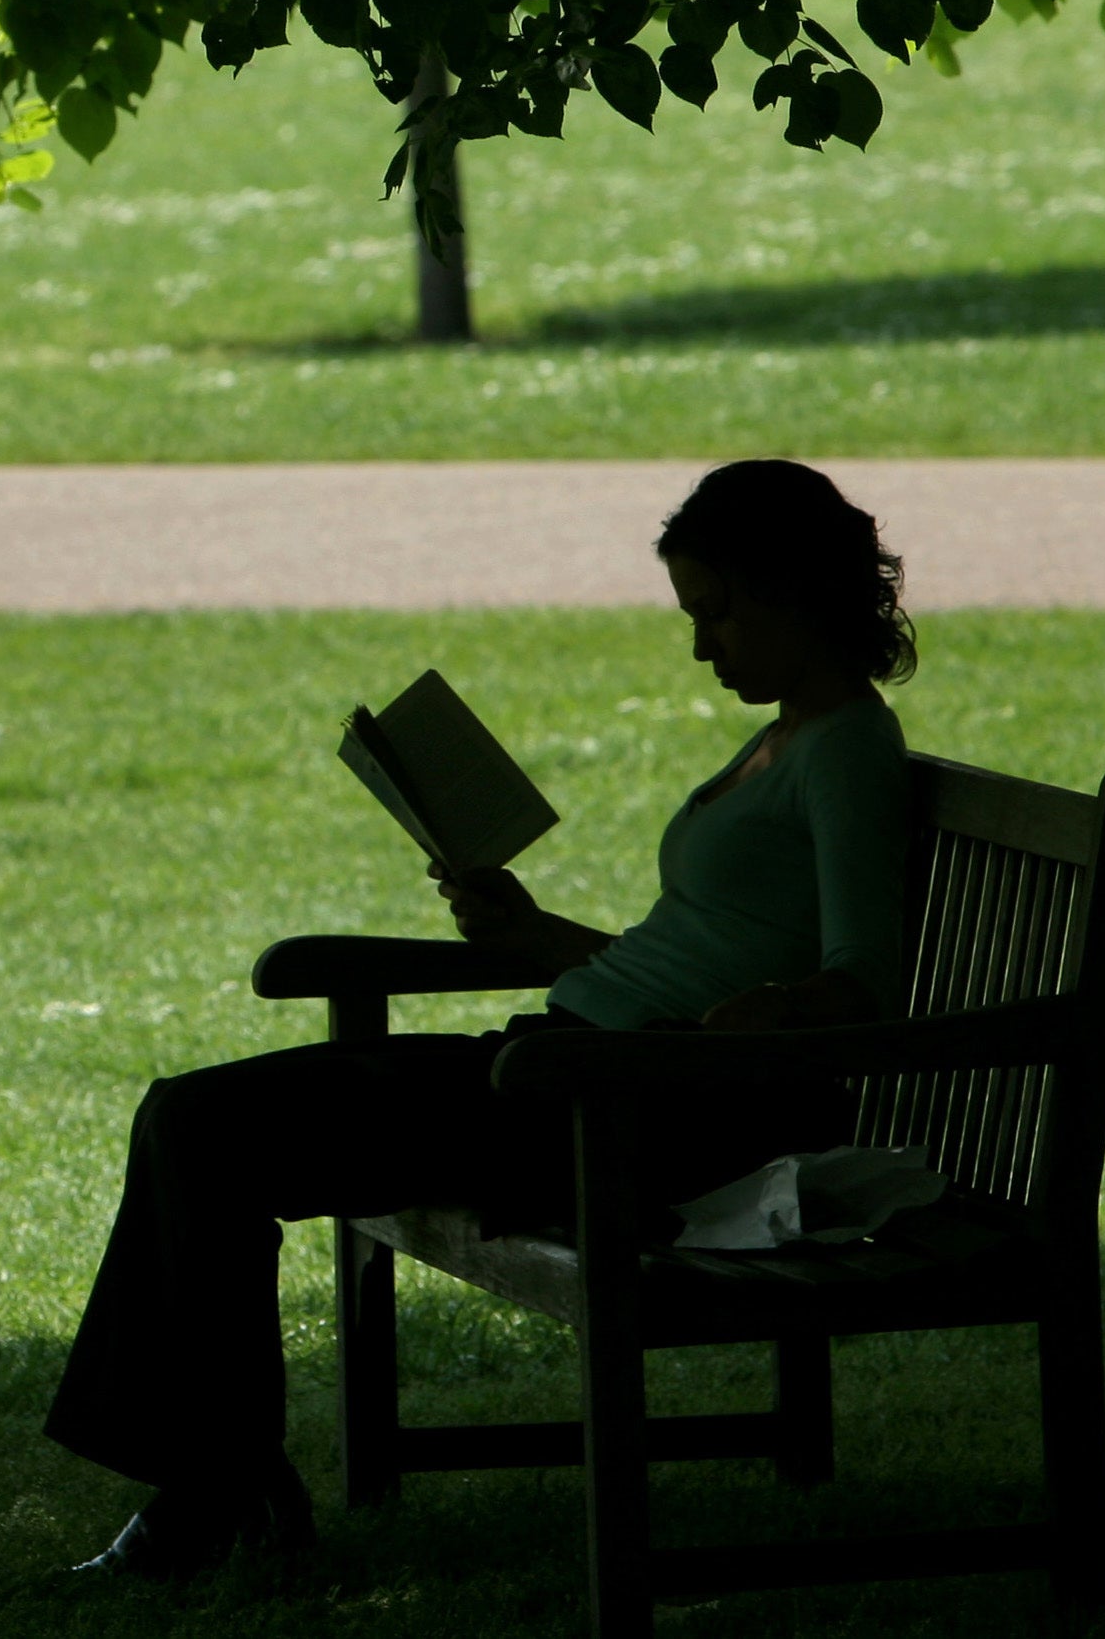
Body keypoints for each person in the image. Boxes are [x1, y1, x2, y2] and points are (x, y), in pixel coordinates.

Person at [47, 460, 918, 1579]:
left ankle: (210, 1492)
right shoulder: (789, 737)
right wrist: (535, 933)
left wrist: (763, 1020)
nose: (705, 647)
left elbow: (864, 978)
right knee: (192, 1122)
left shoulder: (845, 749)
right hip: (567, 1070)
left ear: (794, 588)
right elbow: (692, 956)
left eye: (719, 613)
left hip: (625, 1111)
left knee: (202, 1129)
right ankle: (219, 1479)